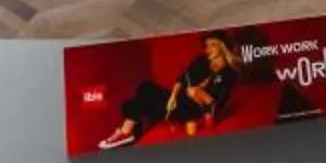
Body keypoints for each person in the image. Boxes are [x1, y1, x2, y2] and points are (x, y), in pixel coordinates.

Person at [98, 33, 242, 150]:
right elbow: (182, 78)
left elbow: (215, 105)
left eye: (213, 45)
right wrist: (173, 96)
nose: (208, 49)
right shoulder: (201, 61)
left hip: (194, 110)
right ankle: (128, 130)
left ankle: (126, 132)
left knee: (142, 97)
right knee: (144, 90)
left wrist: (199, 94)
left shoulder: (229, 73)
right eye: (207, 46)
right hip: (180, 101)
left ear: (222, 47)